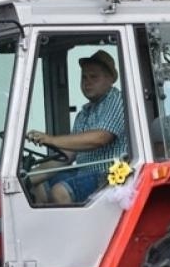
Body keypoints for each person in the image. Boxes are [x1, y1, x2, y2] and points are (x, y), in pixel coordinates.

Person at [26, 49, 129, 204]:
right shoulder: (85, 113)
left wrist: (51, 139)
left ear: (110, 79)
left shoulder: (117, 100)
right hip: (85, 173)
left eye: (94, 77)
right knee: (36, 182)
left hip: (112, 175)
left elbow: (100, 138)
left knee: (60, 192)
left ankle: (67, 228)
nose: (87, 82)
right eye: (84, 77)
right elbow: (68, 155)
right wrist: (27, 176)